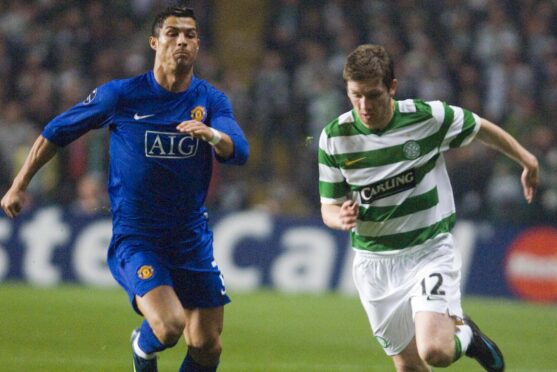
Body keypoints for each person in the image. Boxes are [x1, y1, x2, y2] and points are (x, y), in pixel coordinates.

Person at [1, 4, 249, 372]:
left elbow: (239, 151)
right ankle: (142, 346)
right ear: (154, 42)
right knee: (169, 327)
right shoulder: (121, 95)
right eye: (173, 33)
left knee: (207, 345)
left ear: (198, 46)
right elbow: (56, 131)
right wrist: (18, 185)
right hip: (138, 237)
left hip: (191, 237)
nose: (182, 41)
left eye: (190, 35)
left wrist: (212, 134)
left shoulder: (210, 101)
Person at [318, 44, 539, 372]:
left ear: (392, 87)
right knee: (409, 367)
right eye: (356, 95)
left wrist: (526, 158)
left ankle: (467, 335)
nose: (365, 105)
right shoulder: (334, 138)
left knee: (435, 351)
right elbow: (329, 207)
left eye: (374, 95)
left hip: (428, 251)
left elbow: (480, 128)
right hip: (374, 264)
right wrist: (341, 218)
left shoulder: (427, 118)